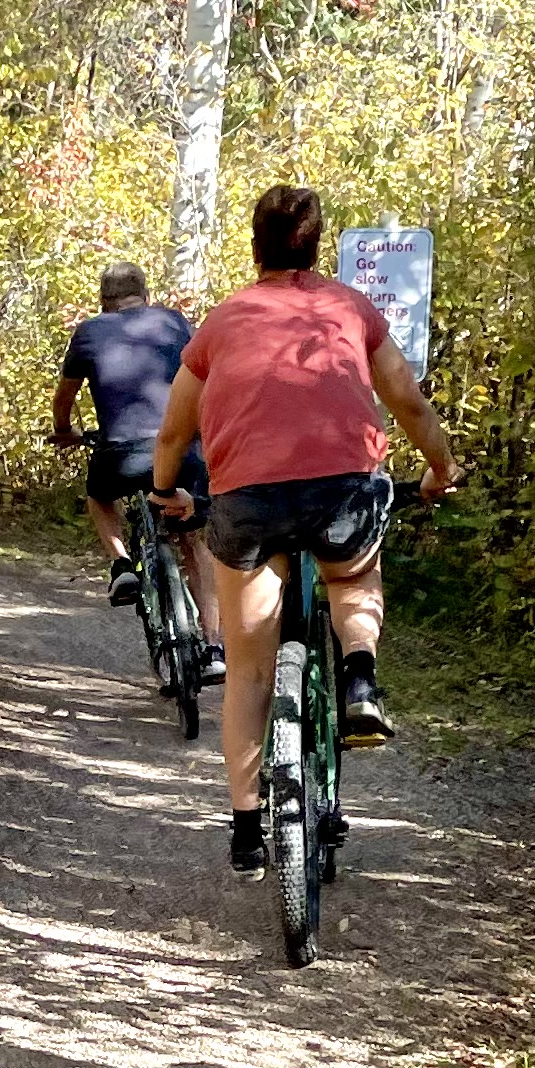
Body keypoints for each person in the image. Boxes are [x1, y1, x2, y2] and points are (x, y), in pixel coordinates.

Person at [150, 184, 458, 881]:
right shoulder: (350, 309)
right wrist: (441, 467)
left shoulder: (224, 320)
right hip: (341, 493)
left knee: (250, 671)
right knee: (353, 573)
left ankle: (247, 828)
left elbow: (175, 429)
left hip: (246, 504)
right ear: (318, 246)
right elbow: (405, 399)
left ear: (253, 244)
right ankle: (359, 678)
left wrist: (167, 490)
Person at [50, 261, 223, 674]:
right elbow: (209, 378)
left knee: (99, 495)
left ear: (103, 301)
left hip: (121, 454)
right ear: (145, 294)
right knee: (194, 542)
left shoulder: (89, 332)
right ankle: (214, 647)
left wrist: (65, 431)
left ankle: (122, 564)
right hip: (182, 450)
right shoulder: (175, 322)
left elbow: (64, 397)